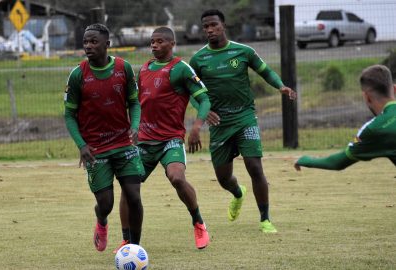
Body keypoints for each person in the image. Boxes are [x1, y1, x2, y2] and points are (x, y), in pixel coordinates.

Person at [189, 9, 297, 233]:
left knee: (255, 167)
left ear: (223, 25)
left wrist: (281, 86)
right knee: (223, 178)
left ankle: (265, 219)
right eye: (206, 26)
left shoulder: (243, 51)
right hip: (219, 123)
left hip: (245, 116)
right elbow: (192, 91)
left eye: (213, 25)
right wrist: (202, 109)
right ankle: (238, 193)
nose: (209, 30)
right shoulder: (198, 59)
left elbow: (265, 71)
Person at [113, 26, 211, 252]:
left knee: (176, 177)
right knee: (129, 188)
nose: (154, 45)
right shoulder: (145, 68)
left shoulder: (181, 69)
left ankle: (198, 222)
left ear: (172, 44)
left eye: (159, 41)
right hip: (144, 141)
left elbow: (204, 99)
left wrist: (196, 127)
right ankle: (127, 240)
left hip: (170, 140)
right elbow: (136, 103)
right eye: (152, 41)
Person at [63, 23, 145, 252]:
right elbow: (69, 114)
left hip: (124, 144)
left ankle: (134, 248)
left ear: (107, 44)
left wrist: (135, 126)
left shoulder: (123, 68)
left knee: (134, 197)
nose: (88, 46)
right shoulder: (78, 74)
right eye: (85, 42)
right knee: (106, 203)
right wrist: (81, 145)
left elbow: (134, 102)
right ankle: (102, 221)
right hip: (95, 148)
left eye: (93, 42)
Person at [295, 64, 396, 170]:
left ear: (366, 97)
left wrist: (306, 160)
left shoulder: (374, 129)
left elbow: (337, 162)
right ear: (394, 89)